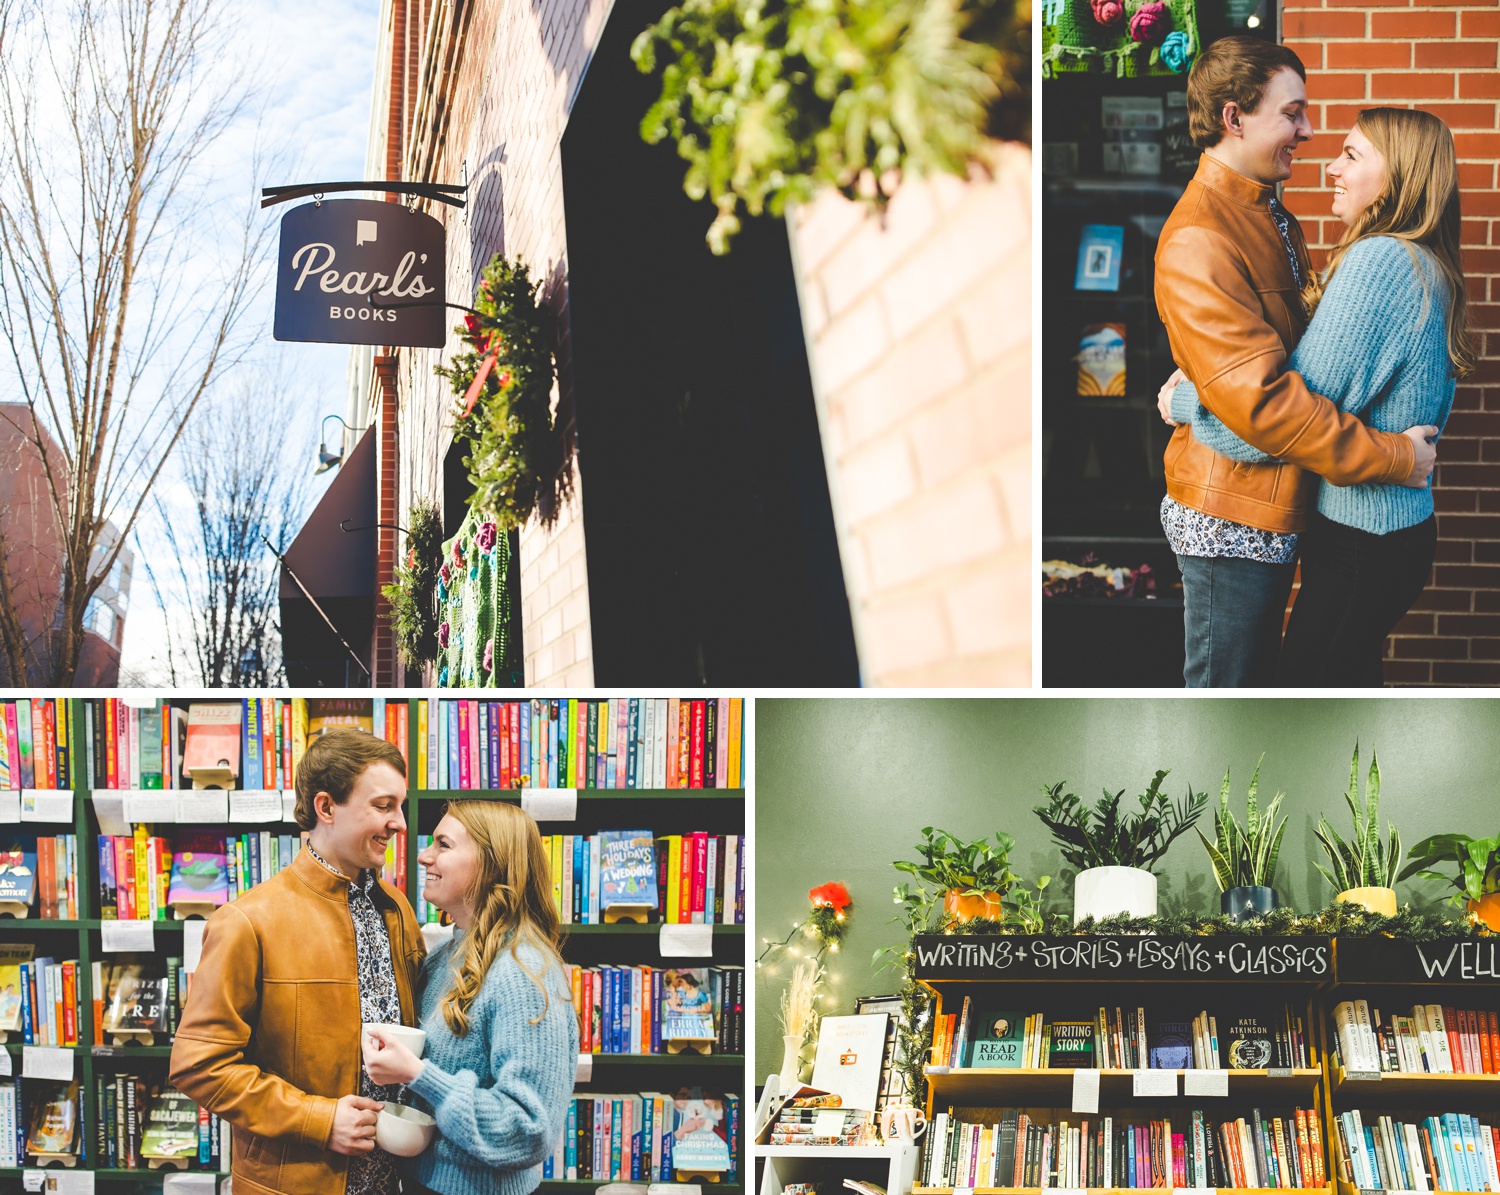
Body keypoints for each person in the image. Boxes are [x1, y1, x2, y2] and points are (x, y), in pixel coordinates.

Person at [1153, 36, 1439, 687]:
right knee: (1230, 699)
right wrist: (1397, 457)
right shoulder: (1203, 236)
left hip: (1273, 506)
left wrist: (1195, 394)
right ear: (1234, 117)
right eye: (1293, 113)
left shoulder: (1268, 214)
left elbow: (1298, 366)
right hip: (1230, 517)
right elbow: (1261, 407)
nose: (1308, 131)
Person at [169, 729, 425, 1195]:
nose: (401, 824)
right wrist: (320, 1119)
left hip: (394, 1182)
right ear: (326, 808)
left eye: (400, 806)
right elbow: (198, 1065)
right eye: (384, 806)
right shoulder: (247, 921)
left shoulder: (398, 908)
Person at [363, 801, 577, 1195]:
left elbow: (527, 1131)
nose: (424, 856)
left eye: (443, 844)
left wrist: (417, 1074)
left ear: (492, 865)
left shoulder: (524, 973)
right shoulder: (446, 955)